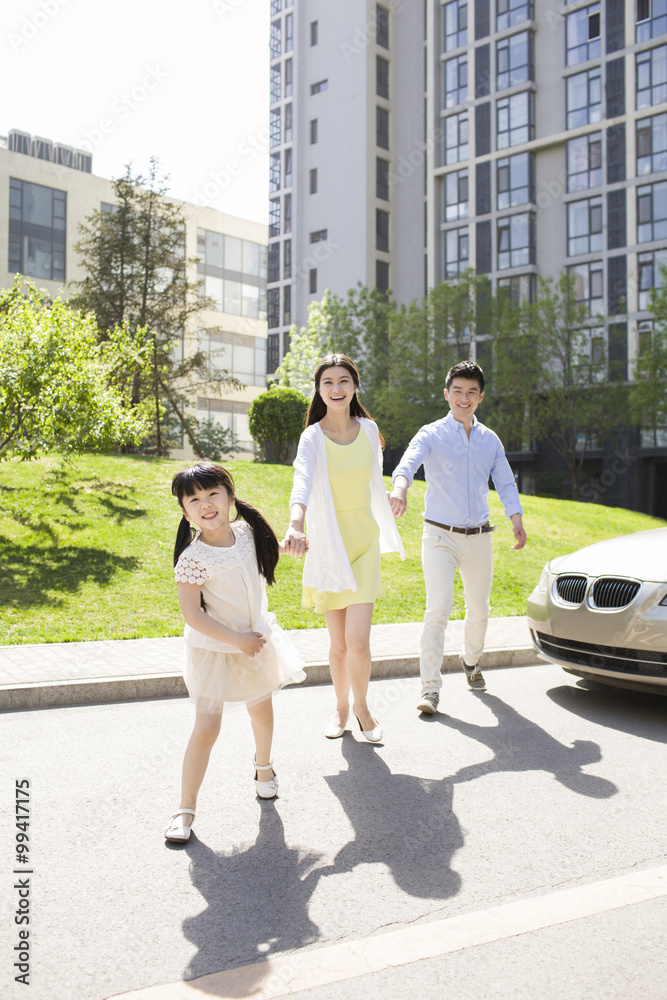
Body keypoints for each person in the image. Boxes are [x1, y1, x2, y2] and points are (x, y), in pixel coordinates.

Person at [164, 462, 306, 843]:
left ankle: (264, 768)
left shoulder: (245, 532)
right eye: (194, 499)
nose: (206, 504)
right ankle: (185, 809)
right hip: (216, 651)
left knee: (261, 711)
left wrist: (289, 546)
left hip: (255, 642)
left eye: (213, 494)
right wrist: (236, 640)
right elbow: (192, 615)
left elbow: (259, 557)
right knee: (206, 729)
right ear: (184, 510)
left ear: (229, 496)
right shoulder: (192, 558)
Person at [389, 360, 526, 715]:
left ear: (480, 397)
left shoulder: (489, 440)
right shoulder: (431, 433)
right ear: (447, 394)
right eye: (458, 391)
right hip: (439, 537)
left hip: (478, 538)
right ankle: (430, 689)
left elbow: (506, 482)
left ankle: (471, 661)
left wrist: (516, 518)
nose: (464, 398)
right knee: (438, 610)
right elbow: (407, 465)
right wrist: (400, 490)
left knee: (479, 611)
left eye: (471, 392)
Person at [283, 354, 405, 743]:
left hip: (364, 540)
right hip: (329, 544)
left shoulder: (369, 429)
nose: (336, 389)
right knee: (337, 644)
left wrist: (389, 496)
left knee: (359, 641)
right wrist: (295, 524)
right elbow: (302, 481)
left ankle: (363, 707)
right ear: (319, 391)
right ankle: (339, 708)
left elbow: (372, 477)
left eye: (343, 381)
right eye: (327, 383)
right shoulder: (312, 437)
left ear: (355, 387)